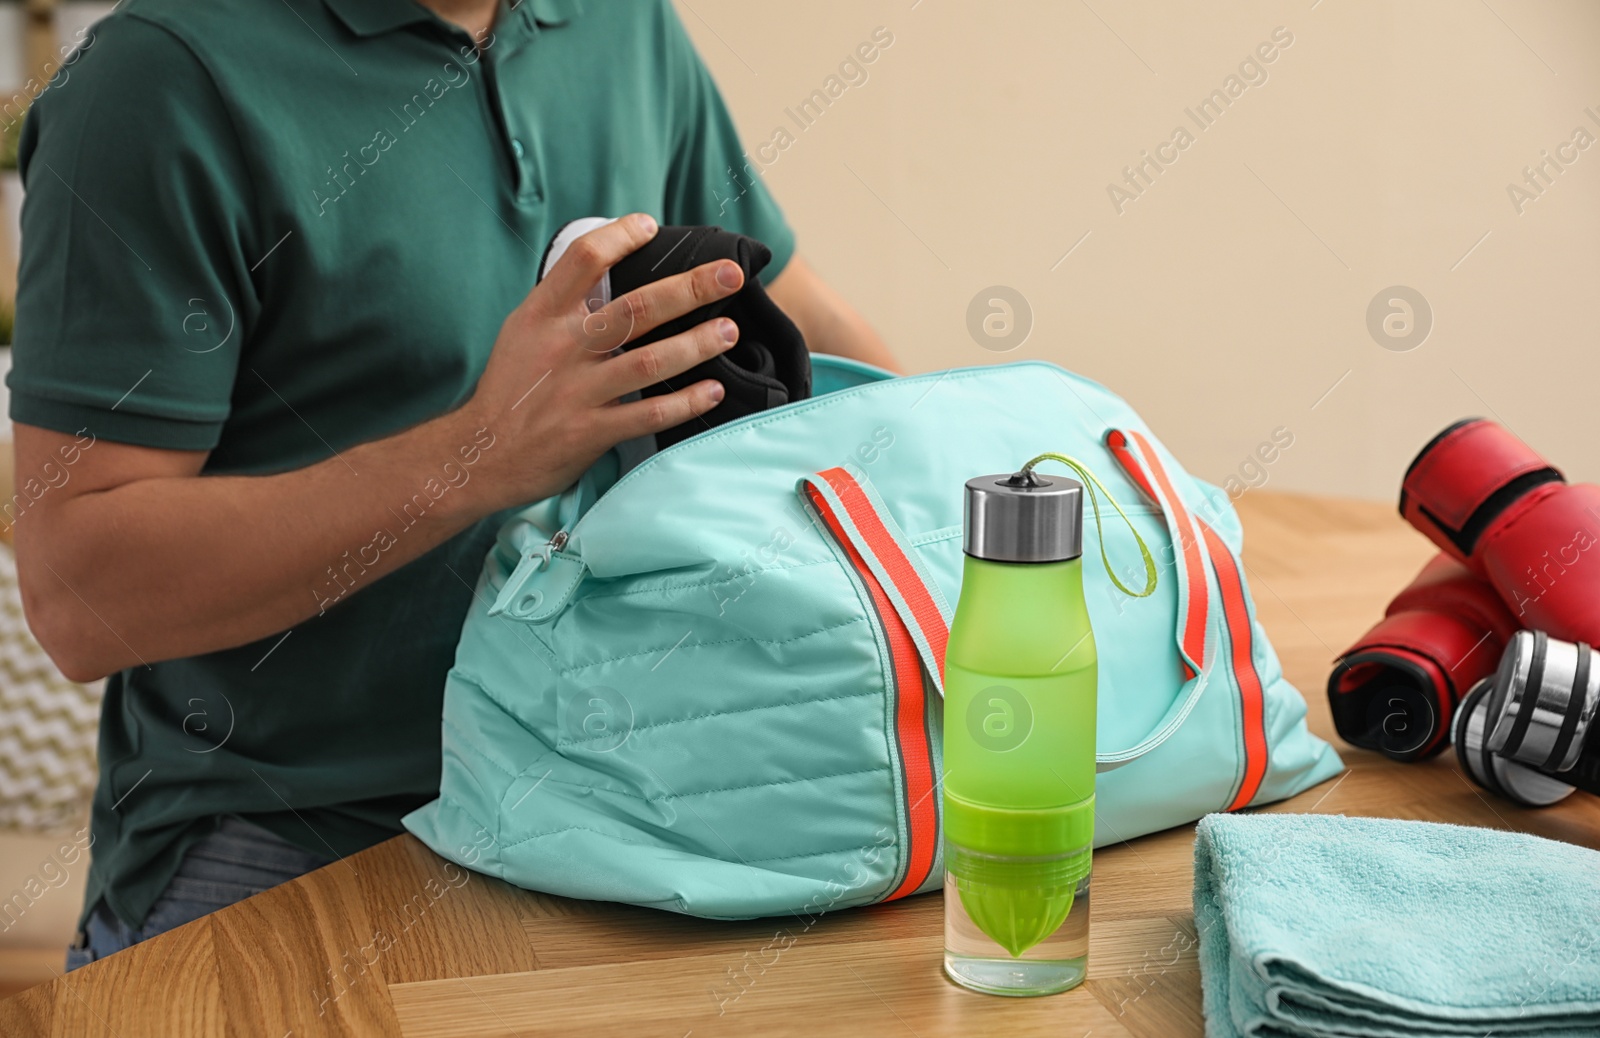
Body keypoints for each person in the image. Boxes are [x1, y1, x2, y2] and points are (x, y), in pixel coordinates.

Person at [6, 0, 896, 969]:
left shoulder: (621, 21)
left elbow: (790, 311)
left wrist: (967, 484)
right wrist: (478, 453)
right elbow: (80, 593)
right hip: (291, 846)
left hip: (620, 811)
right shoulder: (156, 80)